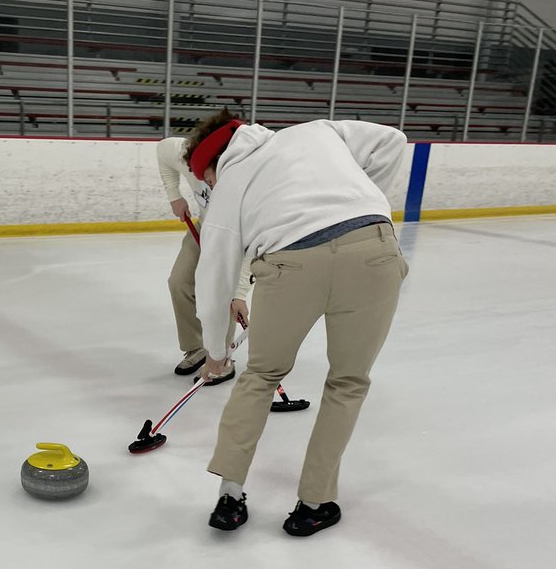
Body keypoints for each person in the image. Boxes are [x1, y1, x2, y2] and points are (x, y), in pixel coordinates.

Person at [185, 108, 408, 537]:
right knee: (348, 381)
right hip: (373, 251)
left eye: (206, 181)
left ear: (213, 165)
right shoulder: (317, 131)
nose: (208, 188)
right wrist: (360, 199)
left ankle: (230, 497)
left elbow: (213, 272)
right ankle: (314, 503)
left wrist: (215, 353)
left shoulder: (230, 182)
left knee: (260, 376)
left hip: (290, 266)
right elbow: (392, 141)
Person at [156, 134, 251, 384]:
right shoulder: (186, 154)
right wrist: (174, 195)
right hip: (204, 226)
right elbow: (163, 150)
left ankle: (223, 356)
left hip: (234, 236)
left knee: (226, 294)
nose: (208, 182)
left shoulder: (245, 182)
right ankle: (196, 347)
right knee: (179, 282)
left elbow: (250, 249)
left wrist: (239, 293)